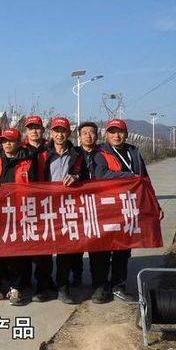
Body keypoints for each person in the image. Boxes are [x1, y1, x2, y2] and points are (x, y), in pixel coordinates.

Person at [91, 118, 159, 303]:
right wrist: (129, 176)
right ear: (107, 134)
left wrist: (155, 204)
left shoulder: (134, 153)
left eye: (119, 131)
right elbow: (102, 175)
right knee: (102, 248)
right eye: (112, 131)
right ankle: (101, 286)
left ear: (126, 134)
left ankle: (118, 285)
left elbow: (145, 180)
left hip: (128, 208)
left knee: (123, 247)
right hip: (105, 208)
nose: (116, 135)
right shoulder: (100, 153)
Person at [0, 127, 37, 306]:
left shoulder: (28, 162)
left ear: (18, 142)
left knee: (18, 252)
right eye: (4, 141)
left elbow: (36, 186)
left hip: (19, 212)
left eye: (11, 140)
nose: (7, 144)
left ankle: (16, 287)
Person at [42, 117, 89, 305]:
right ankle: (44, 286)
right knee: (43, 247)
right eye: (56, 130)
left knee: (65, 247)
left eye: (63, 130)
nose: (59, 134)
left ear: (68, 133)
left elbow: (86, 176)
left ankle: (63, 287)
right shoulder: (43, 154)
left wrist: (76, 176)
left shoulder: (77, 154)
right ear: (51, 133)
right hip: (45, 205)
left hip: (68, 206)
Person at [22, 115, 54, 302]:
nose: (34, 131)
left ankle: (44, 282)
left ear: (43, 130)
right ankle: (25, 280)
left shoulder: (50, 150)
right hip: (25, 204)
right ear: (26, 131)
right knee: (26, 242)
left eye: (37, 127)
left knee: (45, 244)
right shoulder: (21, 150)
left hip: (47, 202)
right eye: (31, 128)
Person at [72, 121, 101, 288]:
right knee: (77, 243)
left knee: (97, 244)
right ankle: (76, 277)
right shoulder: (74, 154)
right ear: (79, 136)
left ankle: (98, 281)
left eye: (91, 133)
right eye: (84, 133)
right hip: (77, 205)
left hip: (98, 205)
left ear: (96, 136)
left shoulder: (104, 153)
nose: (88, 136)